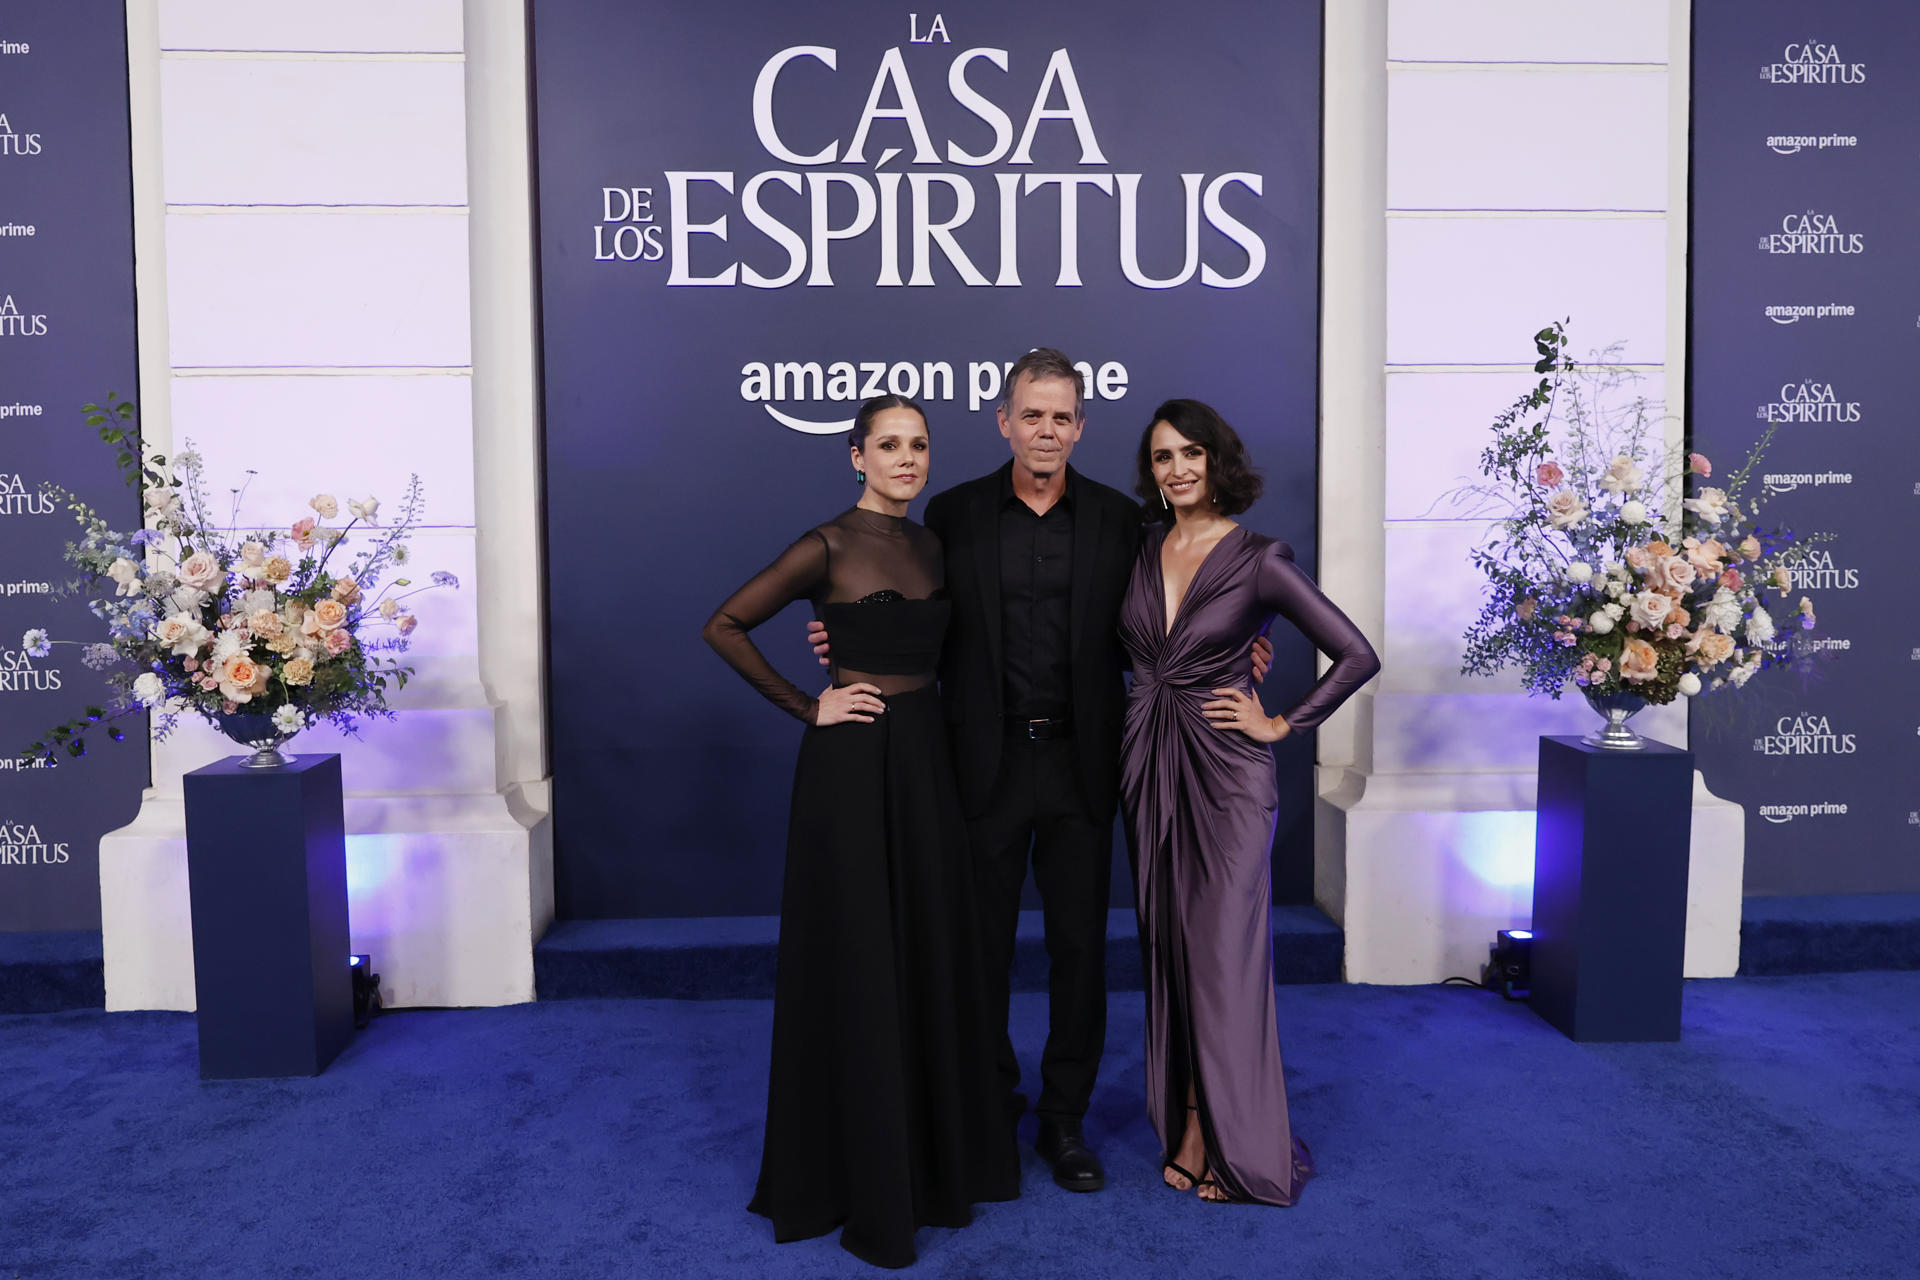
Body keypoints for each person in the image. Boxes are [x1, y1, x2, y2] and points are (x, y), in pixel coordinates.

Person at [814, 351, 1269, 1192]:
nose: (1046, 431)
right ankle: (988, 1110)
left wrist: (1244, 648)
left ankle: (1064, 1123)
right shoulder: (952, 515)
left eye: (1062, 417)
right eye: (1032, 415)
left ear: (1080, 427)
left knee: (1079, 954)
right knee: (978, 952)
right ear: (1004, 422)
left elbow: (1173, 613)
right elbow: (905, 604)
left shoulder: (1120, 522)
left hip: (1081, 764)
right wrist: (846, 638)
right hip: (978, 765)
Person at [702, 395, 1016, 1269]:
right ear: (856, 456)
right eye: (889, 445)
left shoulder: (933, 544)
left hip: (926, 762)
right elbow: (724, 625)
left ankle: (931, 1159)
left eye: (919, 445)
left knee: (924, 945)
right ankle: (858, 1174)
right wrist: (811, 706)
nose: (907, 459)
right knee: (860, 951)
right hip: (851, 764)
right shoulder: (828, 543)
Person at [1120, 398, 1379, 1205]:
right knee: (1172, 946)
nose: (1177, 469)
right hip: (1149, 762)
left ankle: (1222, 1133)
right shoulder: (1141, 548)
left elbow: (1356, 653)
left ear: (1217, 460)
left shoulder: (1261, 558)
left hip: (1228, 773)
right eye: (1162, 457)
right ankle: (1191, 1116)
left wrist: (1281, 722)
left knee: (1221, 954)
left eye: (1190, 453)